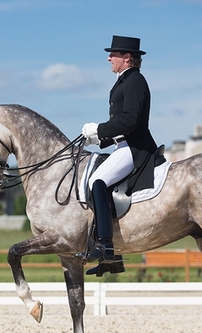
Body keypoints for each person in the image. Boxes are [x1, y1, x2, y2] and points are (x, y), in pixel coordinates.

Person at [81, 35, 158, 276]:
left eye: (113, 54)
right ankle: (112, 260)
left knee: (97, 182)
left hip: (135, 149)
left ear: (127, 58)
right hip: (122, 145)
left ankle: (105, 246)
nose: (109, 58)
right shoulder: (124, 80)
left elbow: (130, 121)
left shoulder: (134, 81)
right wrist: (99, 138)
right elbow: (121, 124)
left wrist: (100, 129)